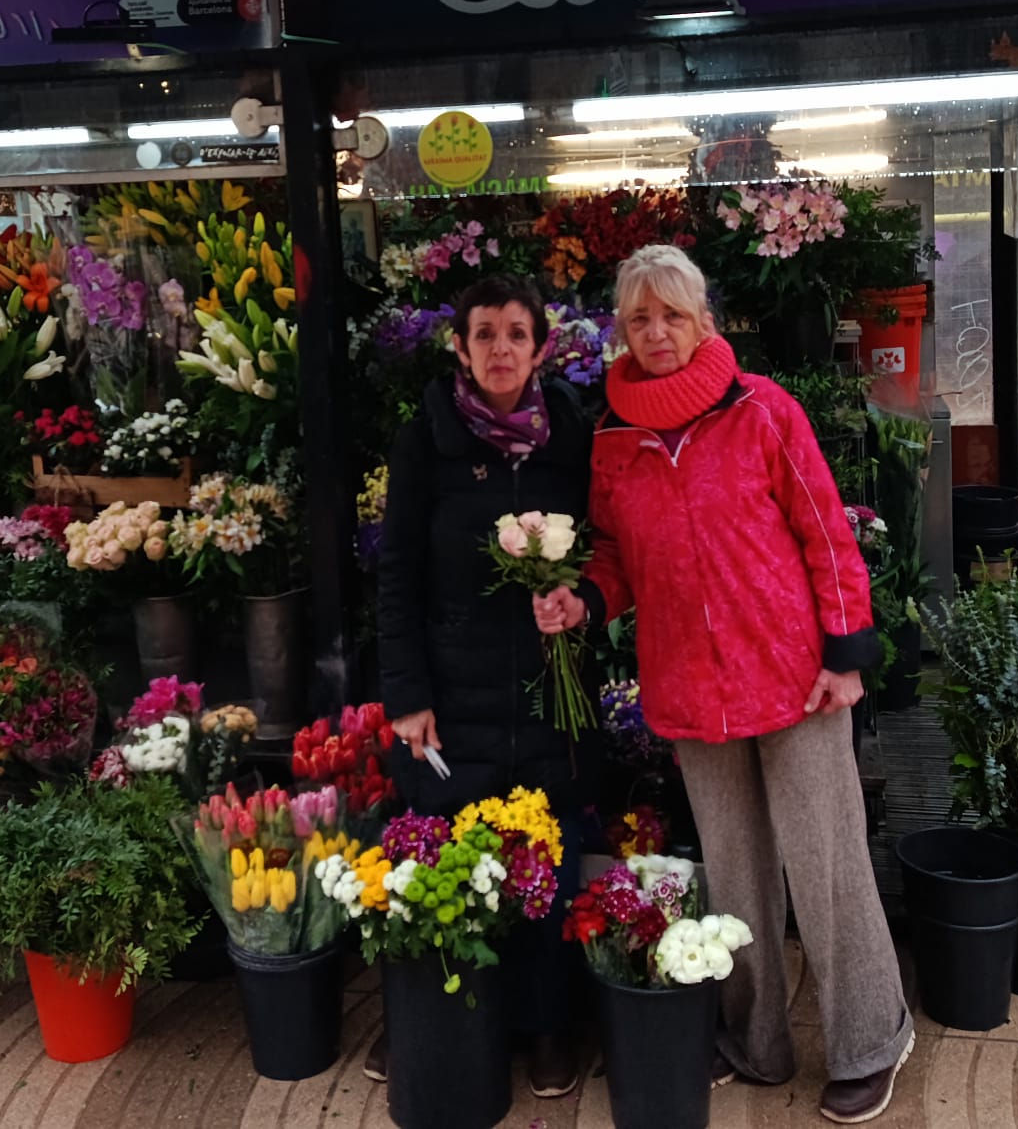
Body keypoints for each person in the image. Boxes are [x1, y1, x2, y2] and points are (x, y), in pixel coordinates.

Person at [537, 243, 914, 1126]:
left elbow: (827, 531)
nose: (658, 332)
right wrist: (584, 598)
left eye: (673, 314)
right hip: (688, 687)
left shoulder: (762, 410)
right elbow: (613, 554)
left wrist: (847, 654)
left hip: (794, 679)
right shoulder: (614, 438)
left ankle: (869, 1039)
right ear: (620, 333)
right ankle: (758, 1040)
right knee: (737, 877)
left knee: (827, 867)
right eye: (640, 318)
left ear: (703, 321)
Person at [376, 272, 594, 1097]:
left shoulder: (571, 432)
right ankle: (443, 1022)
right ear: (460, 350)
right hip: (453, 694)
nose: (501, 347)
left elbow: (605, 548)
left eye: (516, 332)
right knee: (455, 860)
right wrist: (405, 695)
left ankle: (543, 1029)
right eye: (484, 333)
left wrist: (584, 603)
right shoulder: (425, 439)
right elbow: (395, 575)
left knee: (547, 859)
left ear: (541, 347)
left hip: (548, 689)